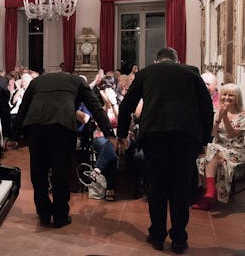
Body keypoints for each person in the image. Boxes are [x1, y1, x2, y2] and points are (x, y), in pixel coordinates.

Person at [116, 47, 213, 254]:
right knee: (180, 187)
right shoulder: (191, 72)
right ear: (177, 60)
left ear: (156, 60)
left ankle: (157, 236)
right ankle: (179, 239)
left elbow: (126, 106)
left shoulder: (146, 73)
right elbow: (206, 107)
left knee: (156, 187)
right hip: (186, 137)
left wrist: (122, 135)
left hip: (154, 136)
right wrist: (204, 140)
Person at [14, 71, 115, 228]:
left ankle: (44, 213)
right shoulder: (77, 82)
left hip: (36, 127)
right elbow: (95, 107)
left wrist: (13, 136)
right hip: (62, 127)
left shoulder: (37, 82)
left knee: (38, 172)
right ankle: (60, 216)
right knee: (60, 172)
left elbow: (23, 109)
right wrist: (109, 133)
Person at [194, 83, 245, 209]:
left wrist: (225, 118)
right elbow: (212, 133)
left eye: (231, 95)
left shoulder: (243, 115)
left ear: (237, 98)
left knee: (210, 151)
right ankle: (208, 193)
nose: (227, 97)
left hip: (236, 151)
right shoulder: (217, 112)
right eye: (224, 94)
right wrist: (218, 119)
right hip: (218, 148)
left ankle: (209, 193)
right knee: (207, 154)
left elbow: (232, 135)